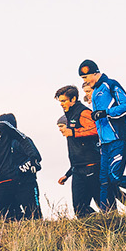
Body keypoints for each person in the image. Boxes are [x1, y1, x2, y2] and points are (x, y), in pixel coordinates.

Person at [78, 61, 126, 210]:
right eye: (83, 78)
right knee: (104, 180)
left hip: (119, 137)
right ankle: (107, 215)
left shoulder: (110, 84)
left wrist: (106, 113)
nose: (85, 81)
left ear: (95, 73)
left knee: (115, 177)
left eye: (86, 77)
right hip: (105, 142)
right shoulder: (95, 92)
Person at [53, 85, 102, 214]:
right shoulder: (69, 115)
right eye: (60, 101)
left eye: (64, 101)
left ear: (73, 99)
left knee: (104, 205)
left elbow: (96, 129)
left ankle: (114, 227)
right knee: (79, 209)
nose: (61, 104)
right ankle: (94, 230)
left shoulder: (83, 112)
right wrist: (68, 174)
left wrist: (74, 132)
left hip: (91, 165)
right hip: (77, 169)